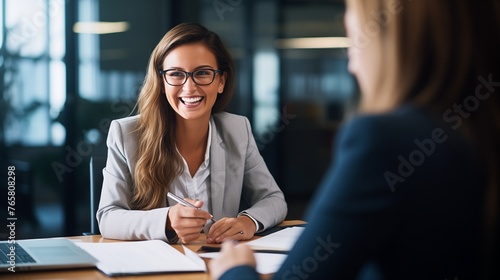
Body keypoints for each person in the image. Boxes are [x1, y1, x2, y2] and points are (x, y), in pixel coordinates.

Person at [210, 0, 500, 279]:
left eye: (351, 10)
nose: (345, 23)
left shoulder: (383, 140)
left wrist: (235, 270)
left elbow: (273, 200)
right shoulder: (477, 134)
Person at [97, 22, 287, 244]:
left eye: (203, 73)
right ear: (161, 82)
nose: (189, 88)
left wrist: (248, 221)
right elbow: (108, 217)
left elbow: (273, 199)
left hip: (216, 262)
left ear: (221, 81)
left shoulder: (237, 130)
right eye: (176, 74)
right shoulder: (126, 134)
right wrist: (167, 219)